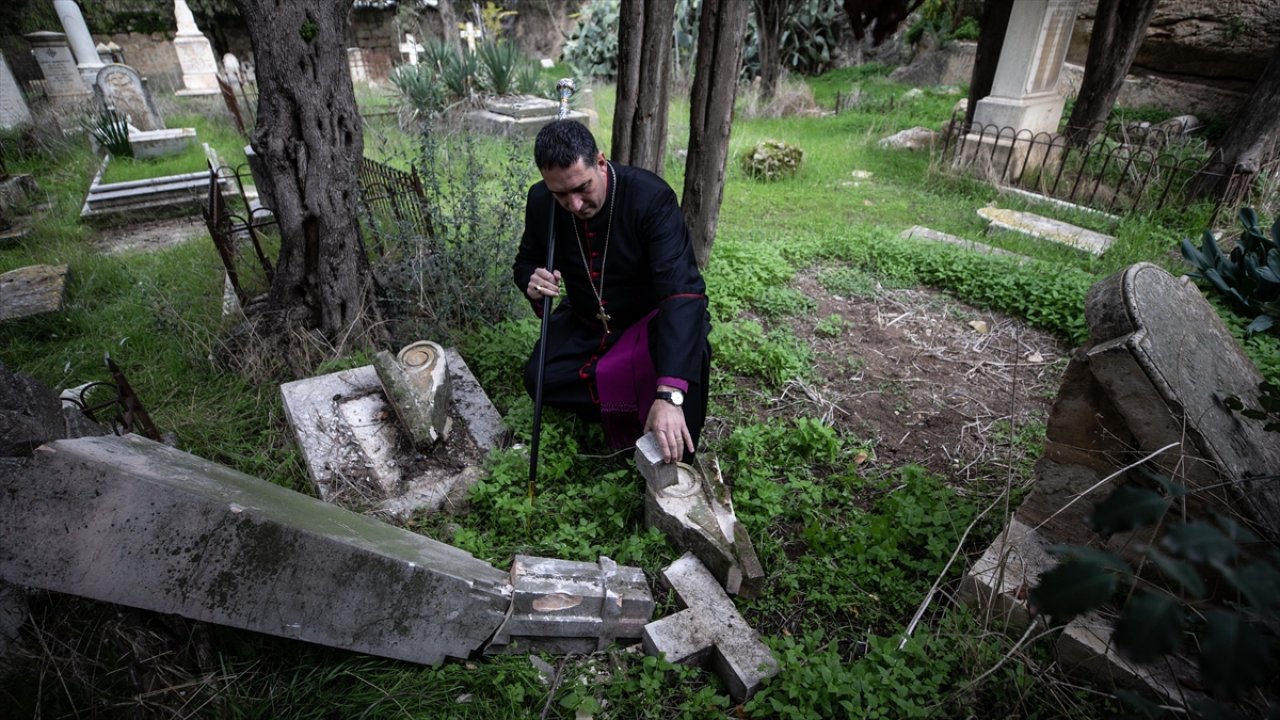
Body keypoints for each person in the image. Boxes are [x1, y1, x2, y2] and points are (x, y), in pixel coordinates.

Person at [513, 120, 711, 465]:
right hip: (587, 324)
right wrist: (532, 281)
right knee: (539, 378)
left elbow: (681, 292)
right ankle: (630, 407)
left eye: (582, 188)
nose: (574, 204)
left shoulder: (650, 197)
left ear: (600, 163)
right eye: (561, 194)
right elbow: (526, 261)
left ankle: (662, 413)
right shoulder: (541, 200)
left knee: (686, 366)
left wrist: (669, 394)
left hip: (647, 323)